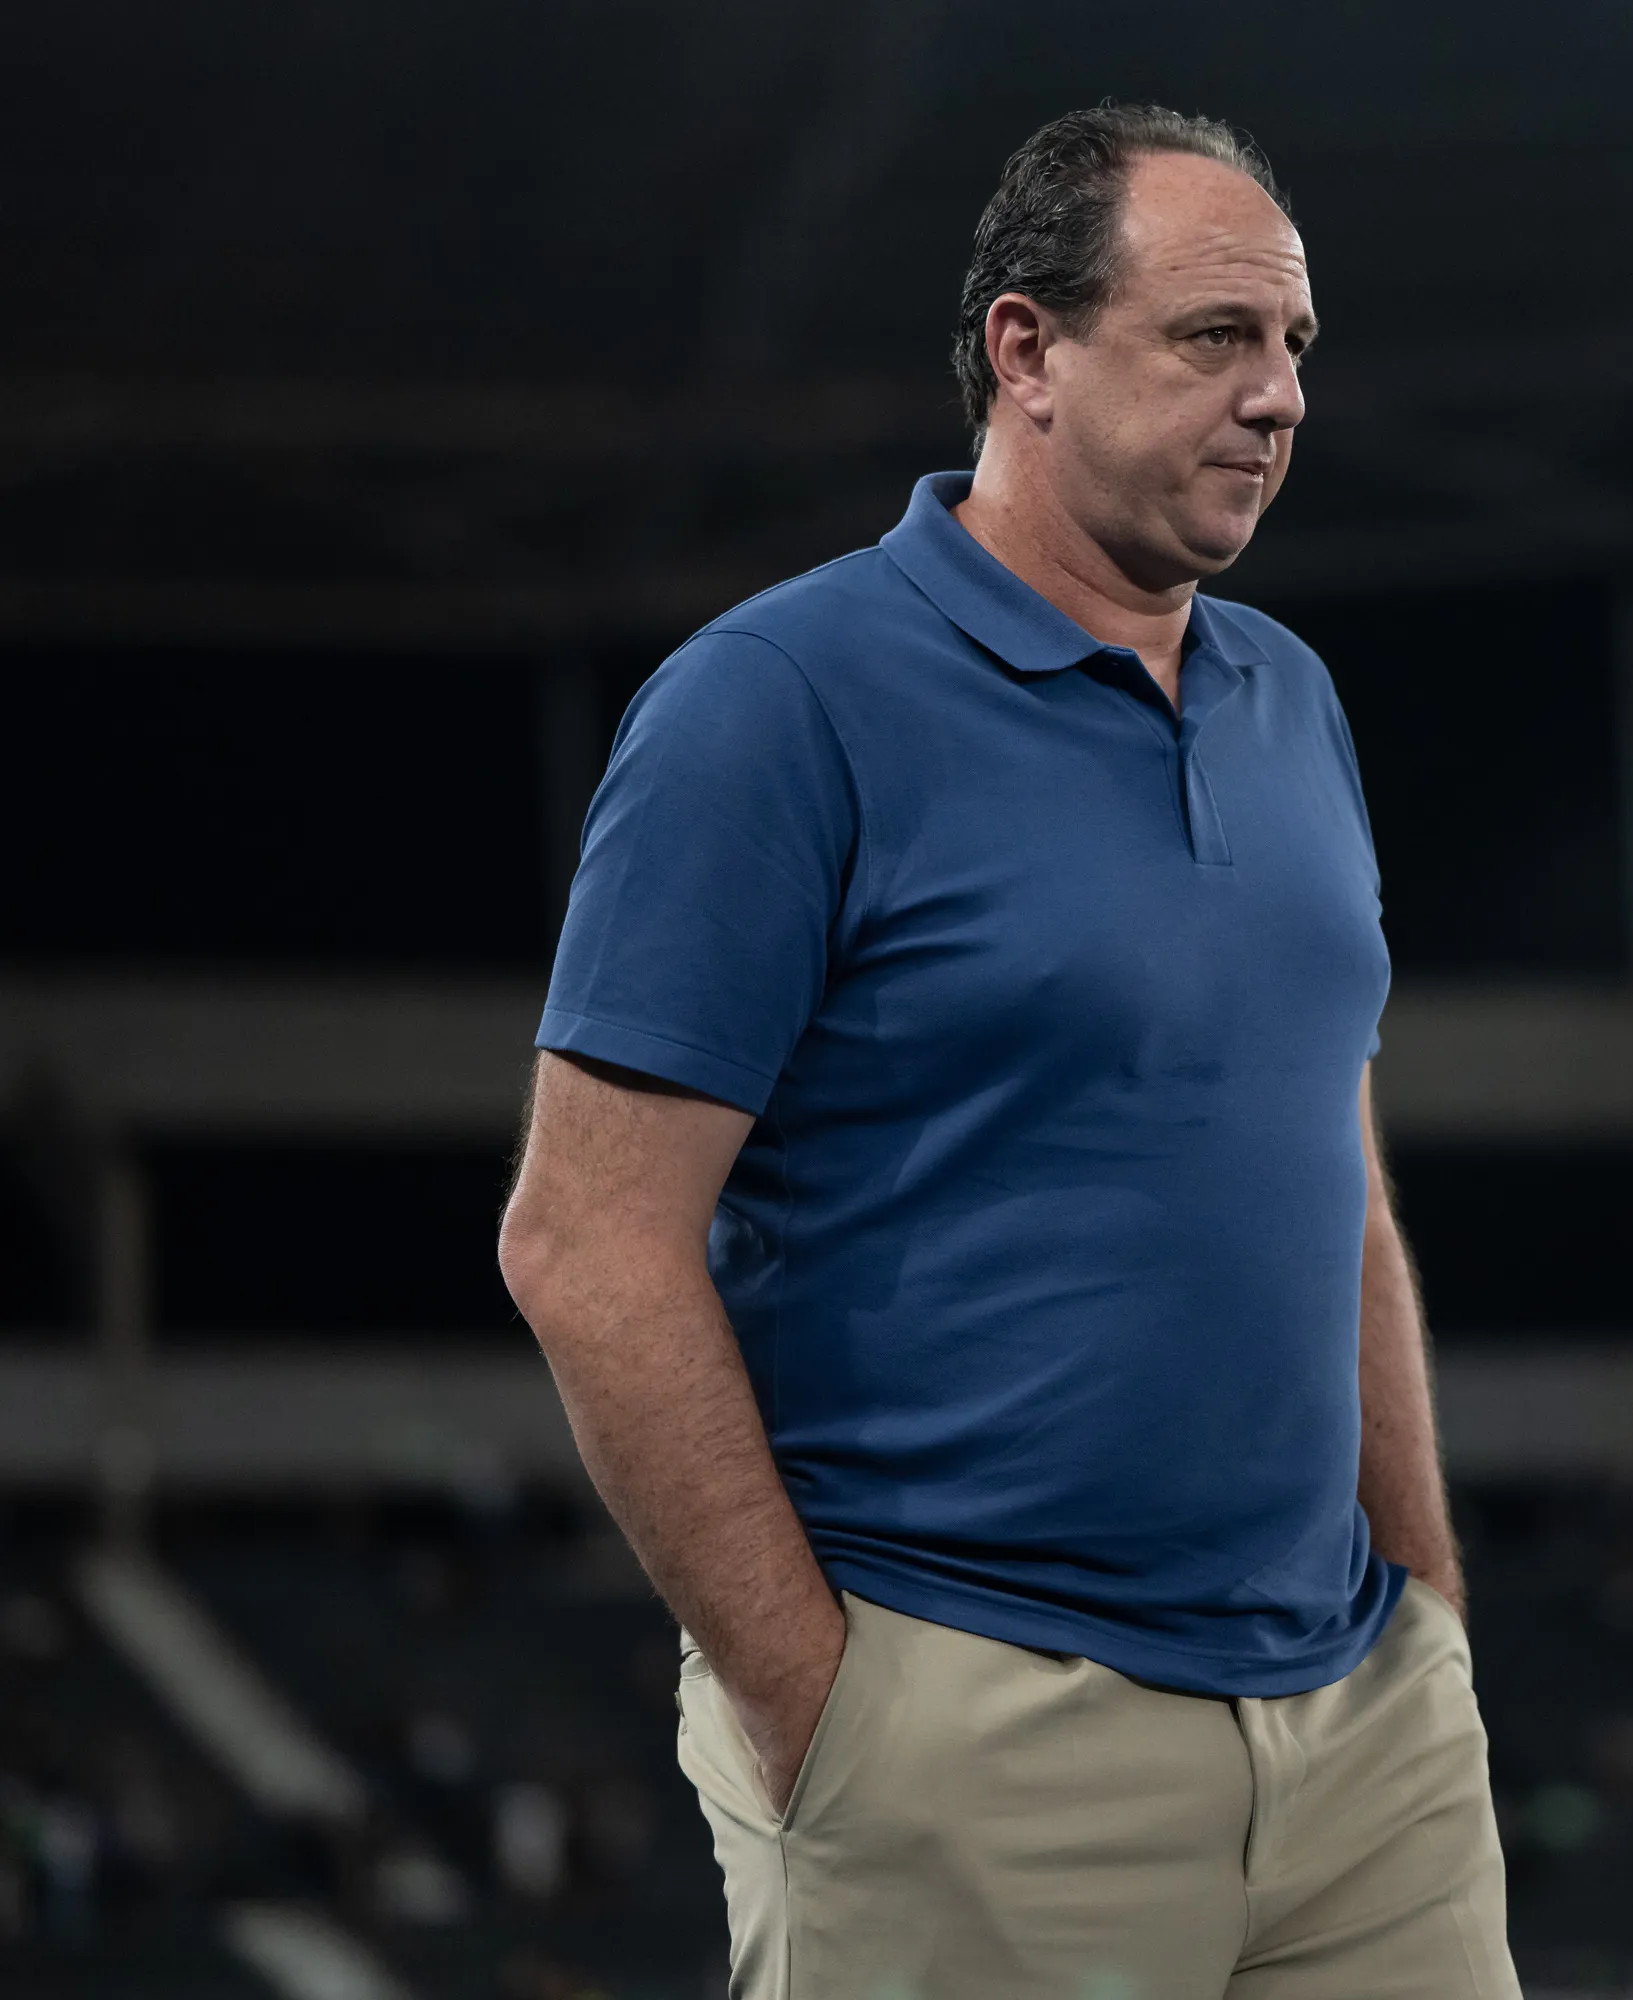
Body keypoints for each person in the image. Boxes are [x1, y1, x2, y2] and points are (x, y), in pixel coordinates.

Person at [497, 103, 1517, 1998]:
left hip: (1361, 1749)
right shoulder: (775, 703)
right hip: (970, 1720)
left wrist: (1427, 1609)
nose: (1279, 396)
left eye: (1296, 347)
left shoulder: (1294, 702)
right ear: (1025, 353)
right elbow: (583, 1243)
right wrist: (832, 1719)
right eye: (1216, 337)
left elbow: (1333, 1174)